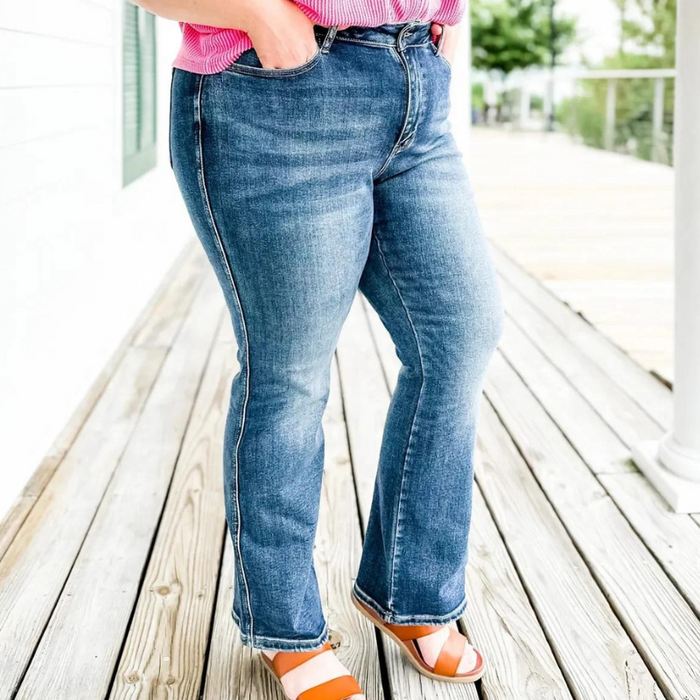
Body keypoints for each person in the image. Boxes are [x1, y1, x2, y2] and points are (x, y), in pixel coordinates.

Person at [136, 1, 503, 697]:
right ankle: (285, 625)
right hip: (276, 93)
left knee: (459, 334)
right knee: (290, 374)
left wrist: (447, 17)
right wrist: (264, 19)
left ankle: (411, 591)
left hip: (414, 84)